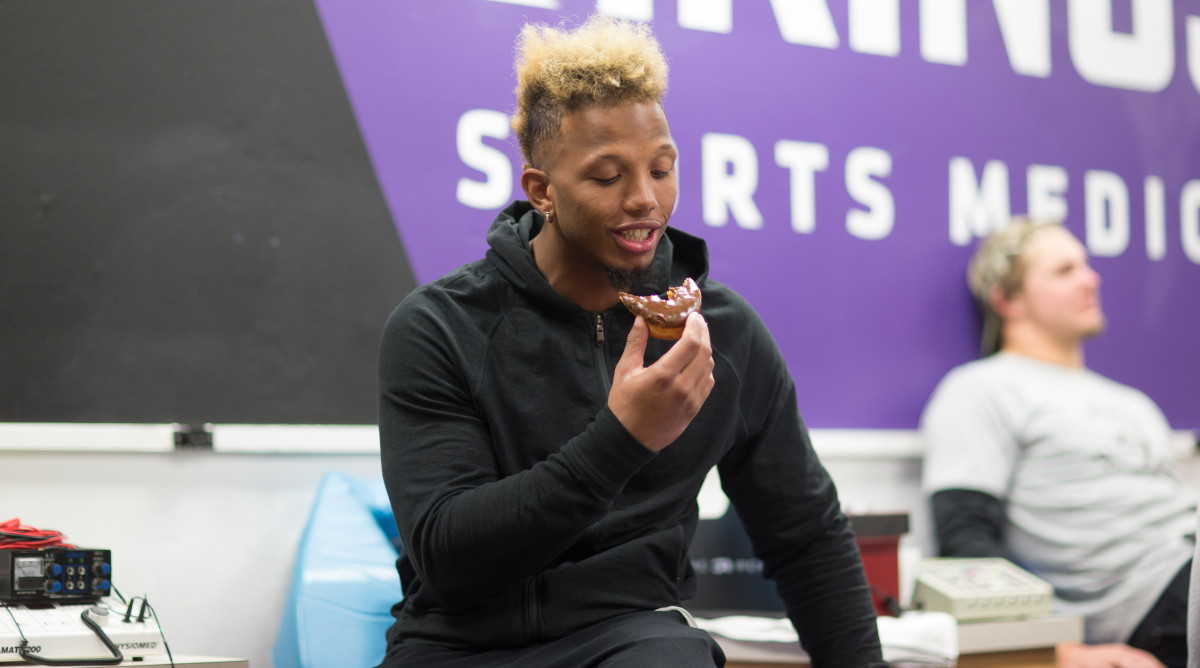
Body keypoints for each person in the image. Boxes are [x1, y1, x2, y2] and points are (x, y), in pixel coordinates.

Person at [374, 15, 885, 668]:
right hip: (454, 645)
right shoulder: (438, 327)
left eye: (662, 169)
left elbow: (805, 536)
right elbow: (448, 558)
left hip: (630, 638)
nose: (645, 199)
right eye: (607, 177)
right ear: (542, 191)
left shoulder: (721, 333)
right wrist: (624, 439)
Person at [920, 218, 1196, 668]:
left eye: (1086, 266)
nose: (1091, 279)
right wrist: (1061, 654)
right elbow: (965, 542)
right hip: (1147, 604)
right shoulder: (981, 390)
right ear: (1007, 299)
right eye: (1064, 271)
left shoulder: (1134, 403)